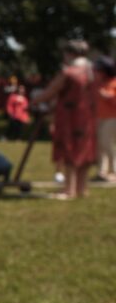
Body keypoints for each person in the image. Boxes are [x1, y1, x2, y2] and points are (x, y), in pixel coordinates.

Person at [30, 39, 97, 198]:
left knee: (69, 150)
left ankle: (69, 189)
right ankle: (82, 189)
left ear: (70, 53)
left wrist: (33, 101)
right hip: (88, 117)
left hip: (70, 117)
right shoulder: (91, 72)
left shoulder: (69, 72)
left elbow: (50, 92)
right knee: (84, 151)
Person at [93, 57, 116, 181]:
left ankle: (114, 170)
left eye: (99, 70)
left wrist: (109, 96)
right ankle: (102, 172)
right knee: (100, 145)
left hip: (112, 118)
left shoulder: (114, 82)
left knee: (107, 144)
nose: (97, 73)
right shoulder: (100, 84)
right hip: (100, 117)